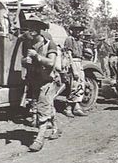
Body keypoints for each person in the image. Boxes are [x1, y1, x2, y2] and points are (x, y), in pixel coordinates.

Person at [21, 15, 61, 152]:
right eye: (29, 26)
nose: (30, 29)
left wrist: (36, 56)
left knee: (42, 108)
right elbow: (25, 60)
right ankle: (56, 129)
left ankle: (39, 139)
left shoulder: (49, 44)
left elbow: (51, 62)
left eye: (34, 26)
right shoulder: (29, 44)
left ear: (40, 29)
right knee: (47, 104)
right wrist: (25, 62)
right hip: (35, 80)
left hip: (48, 81)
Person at [62, 25, 87, 117]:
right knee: (73, 85)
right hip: (73, 63)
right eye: (76, 30)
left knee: (80, 84)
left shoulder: (79, 41)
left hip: (79, 63)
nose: (78, 32)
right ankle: (68, 108)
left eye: (79, 30)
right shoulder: (69, 40)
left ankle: (77, 106)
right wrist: (73, 69)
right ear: (72, 31)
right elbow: (68, 55)